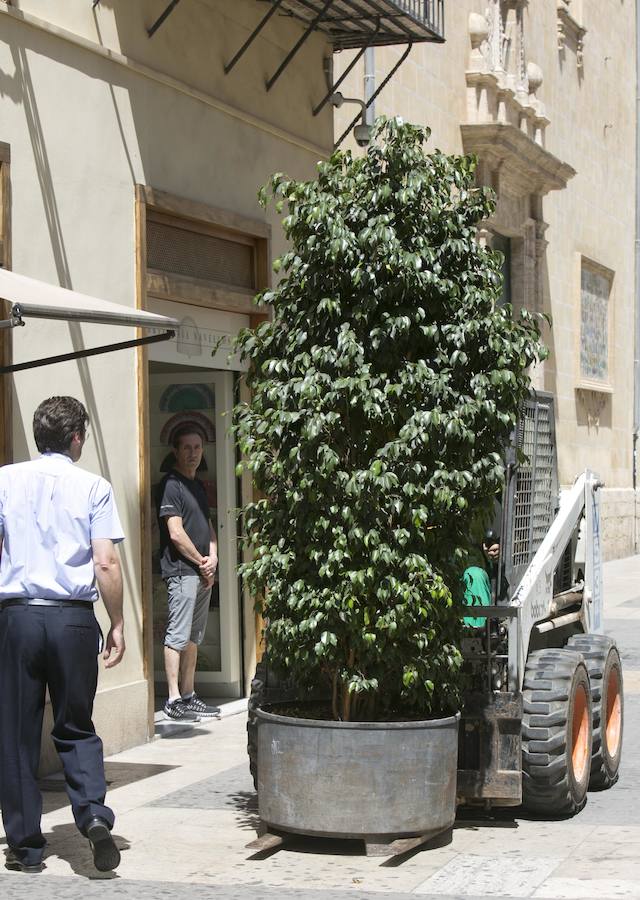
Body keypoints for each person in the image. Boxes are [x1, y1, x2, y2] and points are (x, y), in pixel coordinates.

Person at [0, 396, 125, 873]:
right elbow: (106, 562)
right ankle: (92, 815)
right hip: (72, 618)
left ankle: (27, 847)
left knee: (16, 733)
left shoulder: (6, 480)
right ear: (76, 438)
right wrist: (116, 622)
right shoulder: (94, 486)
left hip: (19, 616)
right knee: (75, 724)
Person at [157, 425, 219, 722]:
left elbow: (208, 528)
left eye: (198, 447)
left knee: (194, 636)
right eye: (187, 448)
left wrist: (213, 559)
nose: (193, 453)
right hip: (182, 571)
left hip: (202, 572)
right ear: (176, 452)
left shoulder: (198, 485)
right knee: (177, 636)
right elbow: (175, 532)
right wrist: (201, 562)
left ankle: (189, 694)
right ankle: (172, 699)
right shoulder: (172, 484)